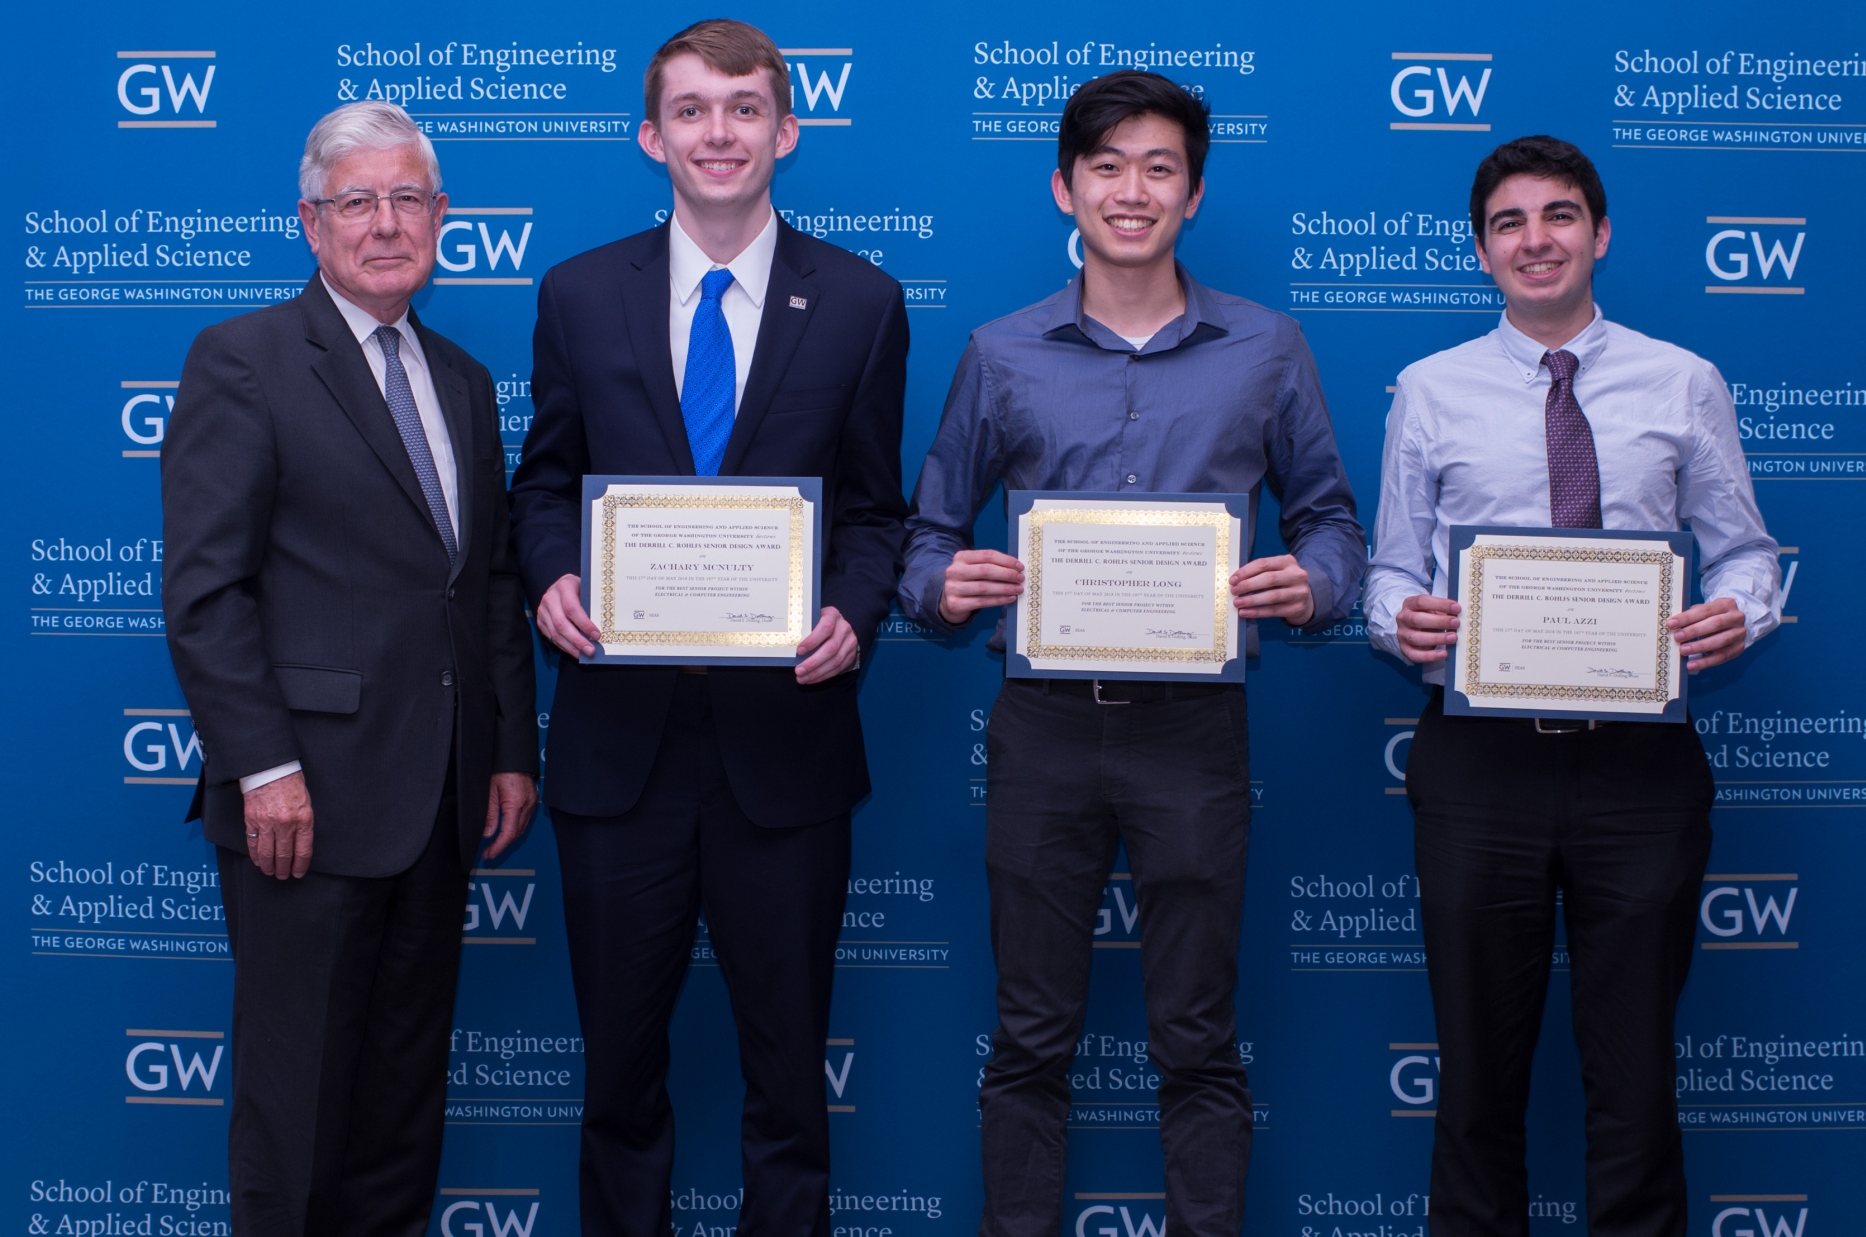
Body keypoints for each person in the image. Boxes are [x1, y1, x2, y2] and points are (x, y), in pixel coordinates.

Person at [901, 70, 1367, 1237]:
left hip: (1192, 734)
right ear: (1064, 186)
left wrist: (1310, 585)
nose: (1131, 189)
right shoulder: (999, 352)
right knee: (1027, 1038)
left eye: (1158, 167)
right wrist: (938, 584)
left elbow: (1329, 523)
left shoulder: (1266, 346)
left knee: (1197, 1037)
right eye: (1106, 166)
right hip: (1042, 730)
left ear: (1194, 193)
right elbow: (926, 532)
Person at [507, 19, 908, 1237]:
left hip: (782, 751)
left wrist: (852, 607)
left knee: (788, 1079)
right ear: (651, 136)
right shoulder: (578, 292)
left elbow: (875, 508)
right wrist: (547, 581)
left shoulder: (861, 299)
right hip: (615, 752)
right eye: (691, 110)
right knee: (618, 1078)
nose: (717, 132)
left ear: (786, 129)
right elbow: (542, 483)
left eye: (743, 108)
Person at [1366, 136, 1780, 1237]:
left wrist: (1743, 607)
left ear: (1598, 234)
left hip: (1638, 765)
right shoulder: (1430, 388)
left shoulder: (1681, 379)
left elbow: (1742, 549)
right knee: (1472, 1081)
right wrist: (1395, 621)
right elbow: (1391, 568)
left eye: (1557, 216)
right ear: (1481, 250)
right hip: (1476, 766)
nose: (1533, 239)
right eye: (1508, 223)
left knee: (1636, 1074)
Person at [162, 101, 540, 1236]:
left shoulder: (463, 379)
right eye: (357, 202)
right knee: (296, 1107)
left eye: (408, 199)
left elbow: (484, 587)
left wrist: (509, 751)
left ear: (442, 218)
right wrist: (262, 765)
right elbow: (204, 592)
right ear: (311, 225)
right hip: (305, 806)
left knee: (398, 1108)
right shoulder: (245, 359)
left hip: (437, 801)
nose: (387, 224)